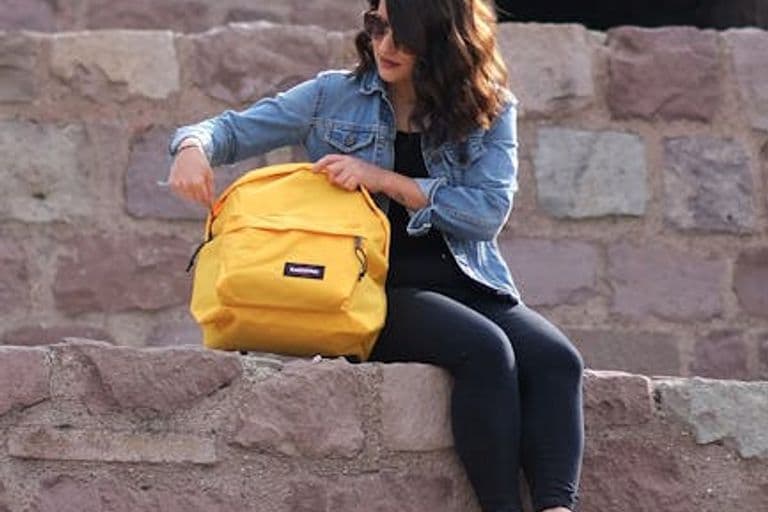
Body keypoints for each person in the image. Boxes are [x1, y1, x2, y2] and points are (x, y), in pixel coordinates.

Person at [166, 1, 584, 511]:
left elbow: (485, 214)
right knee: (486, 351)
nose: (384, 45)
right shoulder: (333, 96)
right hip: (372, 291)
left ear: (442, 38)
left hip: (469, 280)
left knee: (557, 360)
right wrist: (191, 148)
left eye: (401, 34)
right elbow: (229, 130)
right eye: (377, 26)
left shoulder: (489, 107)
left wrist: (385, 181)